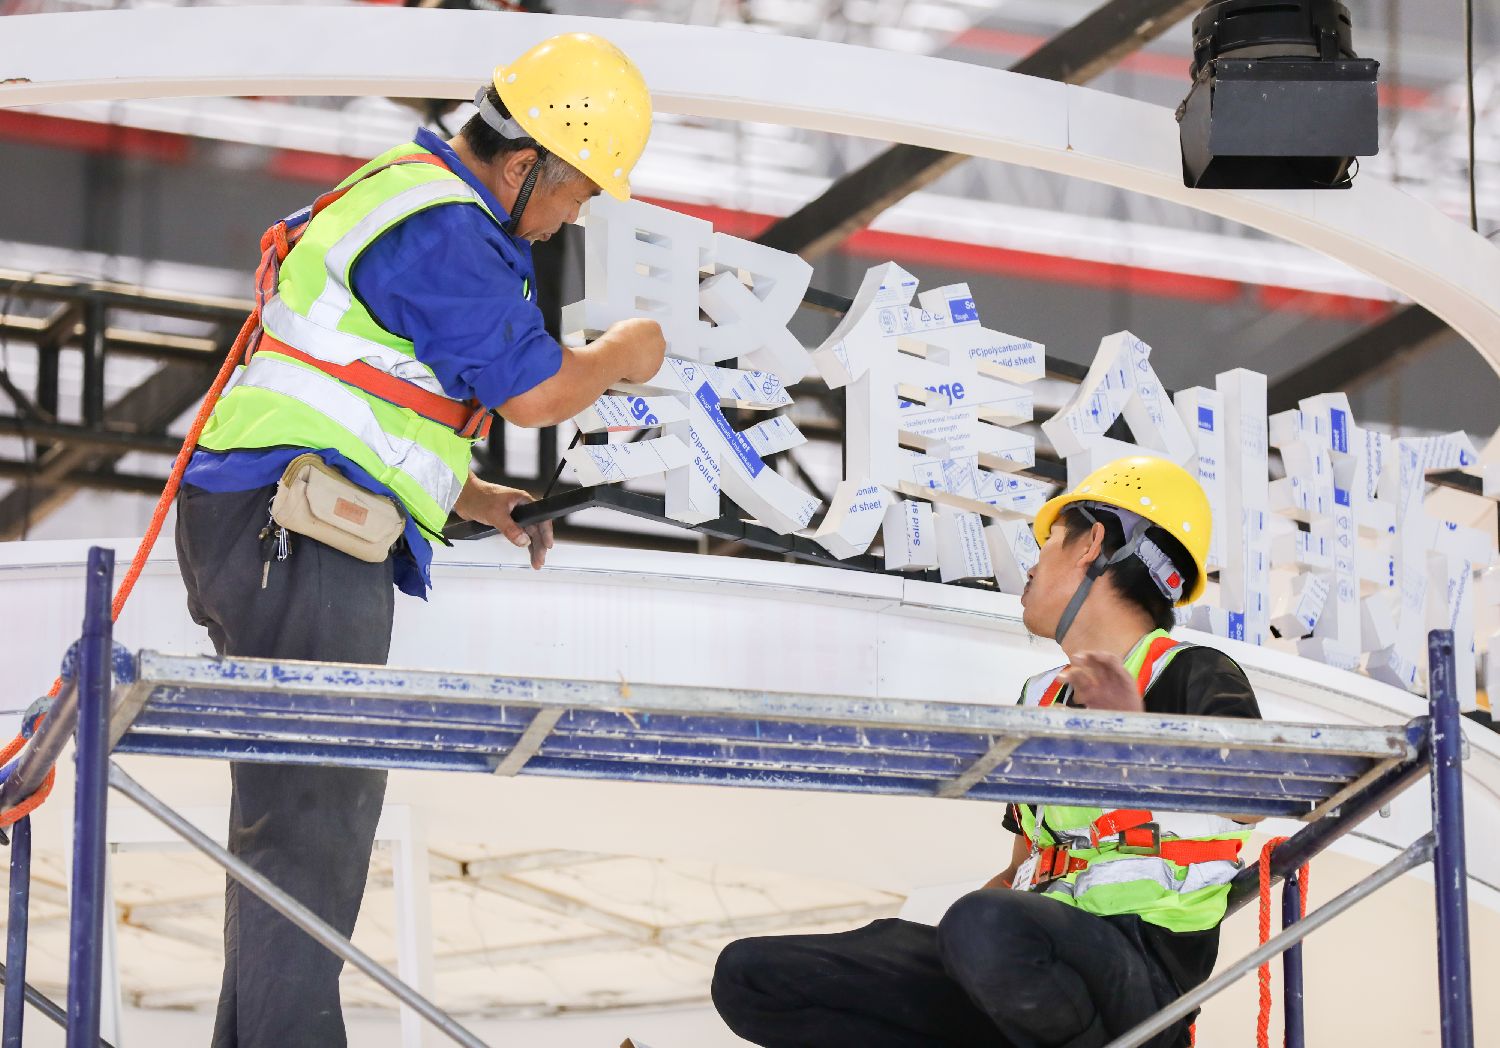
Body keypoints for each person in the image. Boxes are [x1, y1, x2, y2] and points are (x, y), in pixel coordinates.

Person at [173, 33, 665, 1048]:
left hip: (277, 520)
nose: (574, 217)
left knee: (292, 819)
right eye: (577, 193)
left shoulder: (407, 199)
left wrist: (470, 496)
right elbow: (536, 392)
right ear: (523, 164)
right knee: (316, 820)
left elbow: (367, 394)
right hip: (295, 532)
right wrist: (621, 353)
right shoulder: (445, 225)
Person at [712, 456, 1263, 1048]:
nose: (1032, 564)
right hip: (1029, 966)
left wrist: (1133, 733)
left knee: (986, 926)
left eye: (1048, 542)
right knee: (753, 975)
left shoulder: (1191, 672)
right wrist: (934, 950)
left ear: (1091, 544)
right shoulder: (1040, 698)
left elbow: (1254, 799)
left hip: (1138, 975)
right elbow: (1027, 864)